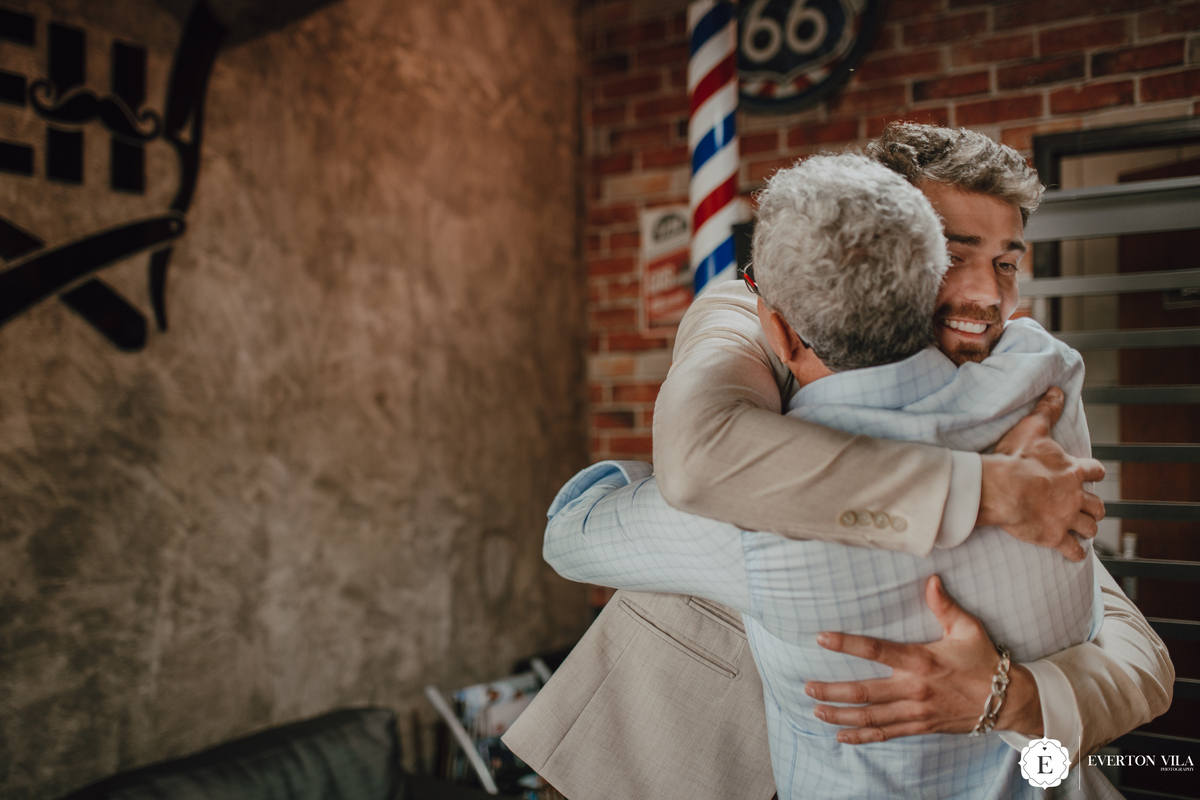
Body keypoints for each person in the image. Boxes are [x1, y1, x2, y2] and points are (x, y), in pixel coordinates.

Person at [503, 127, 1173, 799]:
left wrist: (1015, 696)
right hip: (675, 749)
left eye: (1005, 263)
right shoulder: (752, 321)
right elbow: (702, 460)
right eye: (948, 253)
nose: (989, 299)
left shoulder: (1030, 394)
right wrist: (982, 490)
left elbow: (1129, 642)